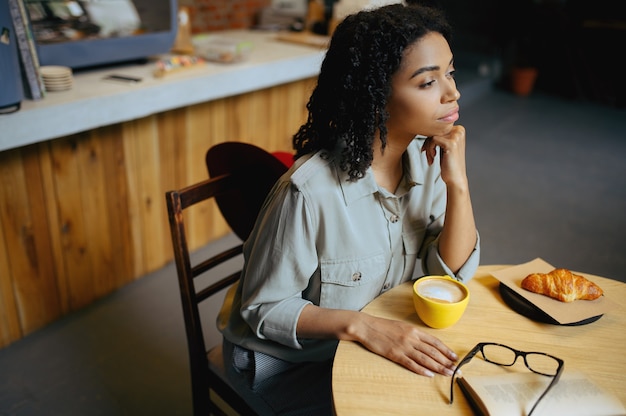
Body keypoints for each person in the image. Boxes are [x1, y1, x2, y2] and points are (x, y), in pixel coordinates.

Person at [218, 3, 480, 414]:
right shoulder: (307, 192)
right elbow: (263, 308)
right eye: (429, 82)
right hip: (286, 363)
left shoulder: (428, 160)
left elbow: (446, 274)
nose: (453, 92)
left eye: (450, 72)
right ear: (375, 94)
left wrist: (458, 185)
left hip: (357, 343)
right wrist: (364, 327)